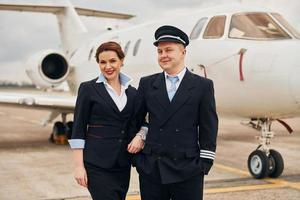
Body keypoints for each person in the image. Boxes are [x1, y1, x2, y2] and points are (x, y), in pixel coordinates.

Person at [132, 25, 218, 200]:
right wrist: (138, 156)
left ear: (183, 52)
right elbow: (136, 120)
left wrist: (204, 163)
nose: (163, 55)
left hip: (188, 169)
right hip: (152, 169)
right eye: (160, 51)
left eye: (169, 50)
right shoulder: (147, 84)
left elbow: (209, 126)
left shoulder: (202, 86)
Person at [68, 41, 144, 200]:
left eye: (112, 61)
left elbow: (141, 123)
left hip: (122, 165)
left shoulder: (133, 93)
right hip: (96, 165)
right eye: (103, 62)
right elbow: (78, 129)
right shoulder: (88, 89)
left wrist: (141, 136)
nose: (108, 66)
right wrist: (78, 167)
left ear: (122, 61)